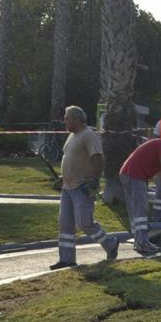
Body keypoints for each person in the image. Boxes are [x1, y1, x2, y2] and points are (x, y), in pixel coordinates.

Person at [50, 106, 120, 270]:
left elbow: (97, 157)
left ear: (76, 119)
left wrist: (95, 179)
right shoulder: (72, 137)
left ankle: (111, 243)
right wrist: (62, 177)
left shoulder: (88, 135)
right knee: (65, 224)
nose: (65, 121)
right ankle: (67, 259)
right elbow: (71, 158)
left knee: (84, 222)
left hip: (82, 186)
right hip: (67, 188)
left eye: (67, 118)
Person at [119, 137, 161, 254]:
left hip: (128, 174)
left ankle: (139, 239)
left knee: (135, 210)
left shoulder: (157, 151)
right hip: (135, 175)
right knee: (141, 209)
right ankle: (142, 243)